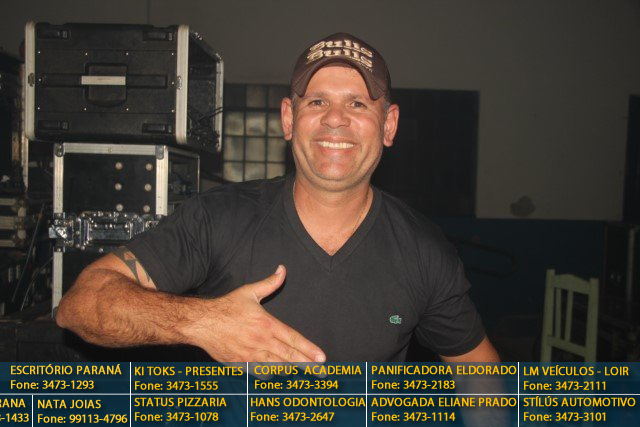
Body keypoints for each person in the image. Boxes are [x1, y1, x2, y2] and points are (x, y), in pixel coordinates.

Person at [56, 32, 499, 364]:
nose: (336, 120)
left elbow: (481, 377)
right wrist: (203, 322)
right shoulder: (218, 219)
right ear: (289, 119)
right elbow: (80, 305)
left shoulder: (423, 250)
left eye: (359, 104)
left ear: (389, 125)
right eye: (317, 102)